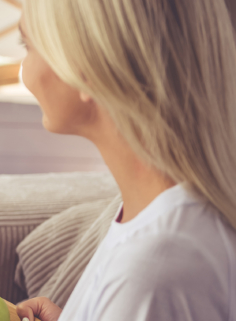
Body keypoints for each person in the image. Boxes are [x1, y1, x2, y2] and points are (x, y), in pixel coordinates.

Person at [14, 0, 236, 320]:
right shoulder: (154, 220)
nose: (25, 72)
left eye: (28, 45)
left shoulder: (154, 268)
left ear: (84, 66)